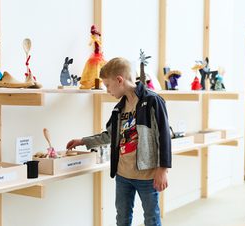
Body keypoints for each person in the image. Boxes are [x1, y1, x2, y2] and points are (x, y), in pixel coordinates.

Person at [66, 57, 171, 226]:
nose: (107, 90)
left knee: (151, 219)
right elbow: (109, 135)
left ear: (119, 80)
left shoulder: (152, 101)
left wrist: (163, 170)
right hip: (123, 176)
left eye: (107, 85)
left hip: (147, 176)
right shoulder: (118, 109)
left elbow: (164, 136)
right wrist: (82, 141)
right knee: (122, 218)